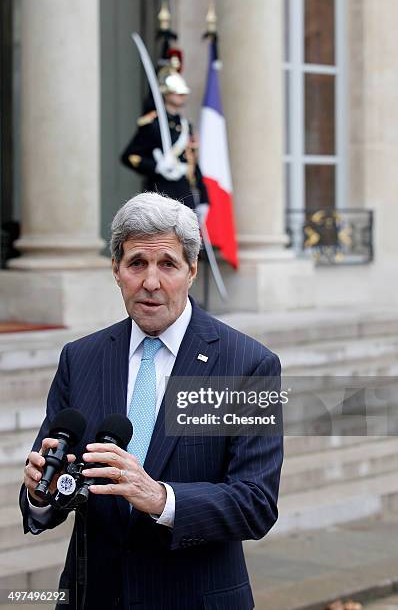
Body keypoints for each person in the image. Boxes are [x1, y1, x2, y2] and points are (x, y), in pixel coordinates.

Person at [20, 192, 283, 610]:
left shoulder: (245, 365)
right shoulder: (81, 358)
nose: (151, 282)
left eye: (168, 265)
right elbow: (51, 485)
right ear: (116, 270)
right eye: (136, 263)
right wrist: (41, 492)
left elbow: (255, 503)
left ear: (192, 270)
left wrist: (161, 498)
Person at [120, 56, 209, 222]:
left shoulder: (185, 126)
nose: (181, 96)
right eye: (177, 92)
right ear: (165, 93)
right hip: (161, 191)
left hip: (185, 192)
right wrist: (157, 167)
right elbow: (130, 156)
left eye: (183, 93)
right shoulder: (152, 124)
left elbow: (193, 163)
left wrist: (203, 196)